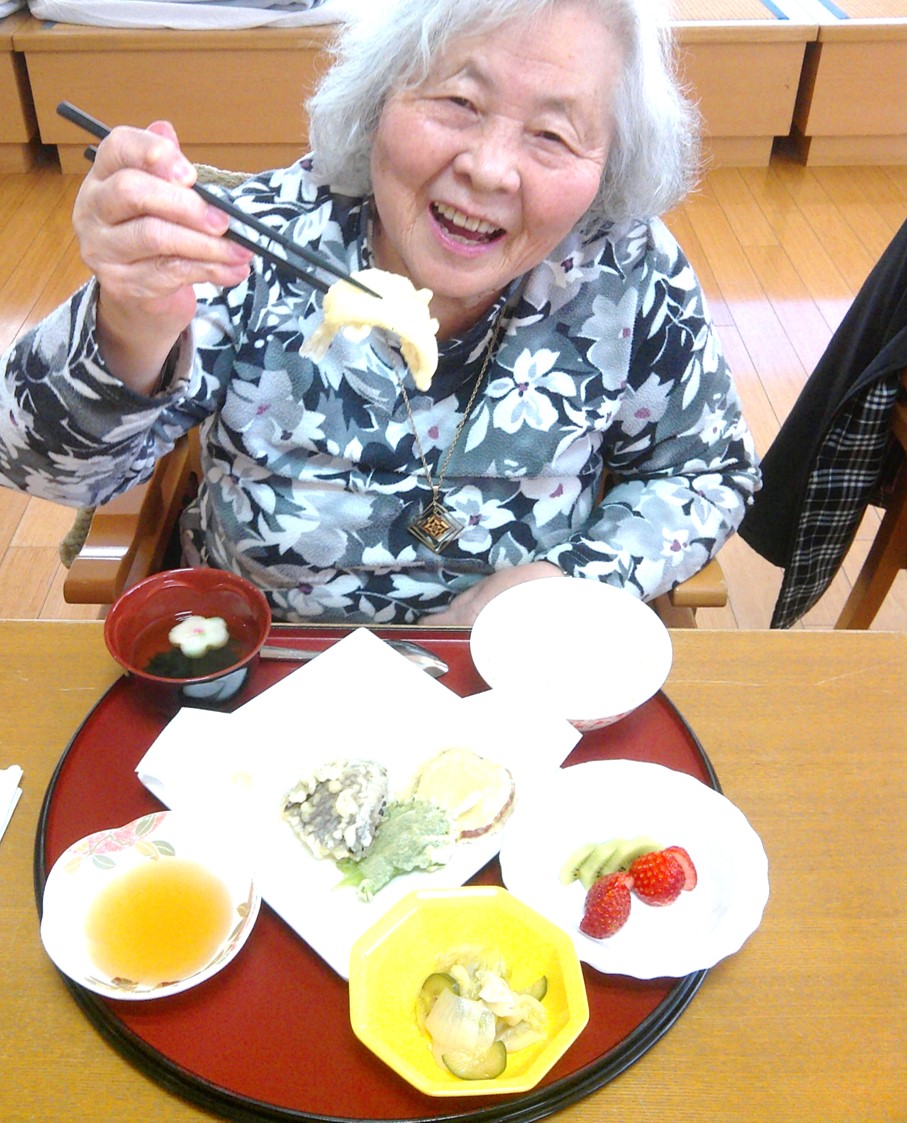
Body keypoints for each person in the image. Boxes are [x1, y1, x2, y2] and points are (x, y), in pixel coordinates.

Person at [0, 0, 759, 626]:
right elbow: (30, 462)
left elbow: (705, 470)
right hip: (267, 669)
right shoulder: (251, 242)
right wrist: (130, 321)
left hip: (513, 675)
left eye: (553, 135)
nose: (488, 169)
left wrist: (569, 582)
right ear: (379, 95)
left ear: (609, 164)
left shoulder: (623, 270)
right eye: (459, 102)